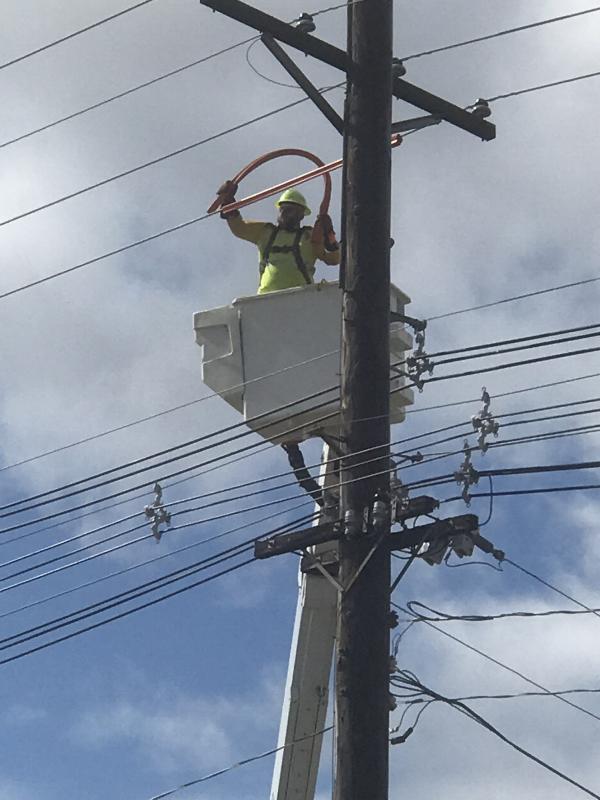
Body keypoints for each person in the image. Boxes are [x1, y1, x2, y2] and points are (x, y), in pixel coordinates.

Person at [218, 184, 340, 294]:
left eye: (290, 209)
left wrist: (329, 234)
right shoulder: (265, 233)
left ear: (301, 214)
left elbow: (334, 259)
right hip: (266, 299)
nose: (285, 213)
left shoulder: (309, 236)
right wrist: (229, 206)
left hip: (301, 297)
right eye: (282, 209)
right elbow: (240, 228)